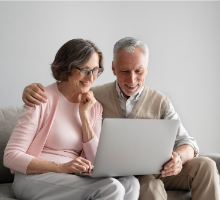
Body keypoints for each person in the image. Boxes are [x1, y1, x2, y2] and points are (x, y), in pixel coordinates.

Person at [22, 37, 220, 200]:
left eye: (138, 71)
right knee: (149, 187)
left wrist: (179, 157)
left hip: (161, 168)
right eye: (125, 71)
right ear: (114, 69)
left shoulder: (161, 102)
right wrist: (30, 90)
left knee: (206, 165)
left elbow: (187, 141)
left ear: (147, 69)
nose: (132, 79)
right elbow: (65, 90)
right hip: (128, 174)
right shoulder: (92, 96)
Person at [4, 39, 140, 200]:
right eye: (84, 70)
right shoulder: (41, 99)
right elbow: (11, 156)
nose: (91, 77)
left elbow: (96, 160)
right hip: (34, 177)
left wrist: (85, 117)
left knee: (130, 183)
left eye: (96, 70)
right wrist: (61, 168)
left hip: (72, 175)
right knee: (111, 188)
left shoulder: (94, 107)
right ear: (67, 67)